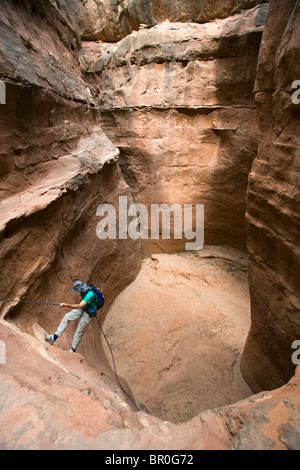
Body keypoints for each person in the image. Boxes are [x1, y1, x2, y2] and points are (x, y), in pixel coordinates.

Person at [45, 280, 101, 352]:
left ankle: (73, 349)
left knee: (79, 329)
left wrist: (66, 305)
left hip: (89, 312)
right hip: (85, 307)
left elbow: (79, 306)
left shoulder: (90, 294)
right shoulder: (84, 288)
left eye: (77, 290)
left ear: (80, 288)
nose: (77, 291)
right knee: (67, 316)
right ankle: (53, 338)